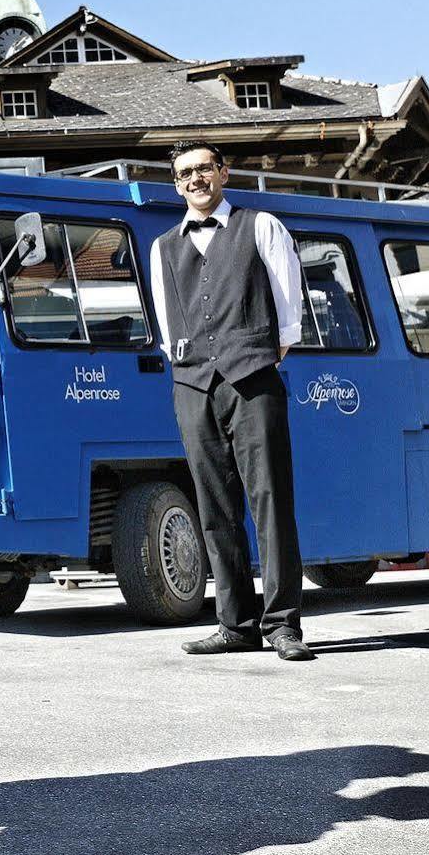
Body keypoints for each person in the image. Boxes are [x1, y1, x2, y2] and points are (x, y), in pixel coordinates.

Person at [147, 140, 314, 662]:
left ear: (223, 171)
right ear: (176, 184)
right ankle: (235, 624)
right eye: (184, 174)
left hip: (253, 376)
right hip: (192, 384)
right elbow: (165, 316)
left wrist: (265, 350)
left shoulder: (260, 225)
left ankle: (283, 624)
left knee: (270, 502)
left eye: (203, 168)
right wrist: (186, 363)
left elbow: (289, 303)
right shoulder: (162, 247)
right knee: (214, 508)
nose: (195, 179)